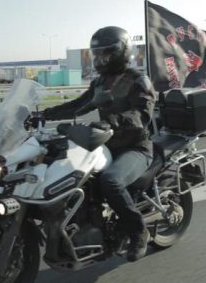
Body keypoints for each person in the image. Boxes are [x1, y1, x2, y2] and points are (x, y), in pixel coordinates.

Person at [41, 26, 155, 262]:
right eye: (98, 53)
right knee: (66, 170)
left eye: (107, 53)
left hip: (135, 147)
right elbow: (80, 104)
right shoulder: (101, 82)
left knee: (110, 181)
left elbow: (142, 115)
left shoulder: (138, 80)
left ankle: (138, 232)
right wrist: (44, 114)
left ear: (122, 52)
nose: (101, 59)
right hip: (106, 143)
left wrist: (114, 121)